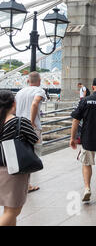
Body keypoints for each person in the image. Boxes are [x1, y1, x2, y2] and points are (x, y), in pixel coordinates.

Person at [0, 90, 39, 226]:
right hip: (13, 170)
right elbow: (35, 139)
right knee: (13, 211)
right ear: (14, 104)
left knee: (8, 209)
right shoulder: (20, 122)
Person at [15, 71, 46, 193]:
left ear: (28, 81)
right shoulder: (39, 91)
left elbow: (15, 108)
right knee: (32, 155)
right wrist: (32, 122)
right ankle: (27, 185)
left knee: (22, 154)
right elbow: (34, 104)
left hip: (18, 126)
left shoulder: (20, 92)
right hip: (32, 127)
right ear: (39, 81)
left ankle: (21, 183)